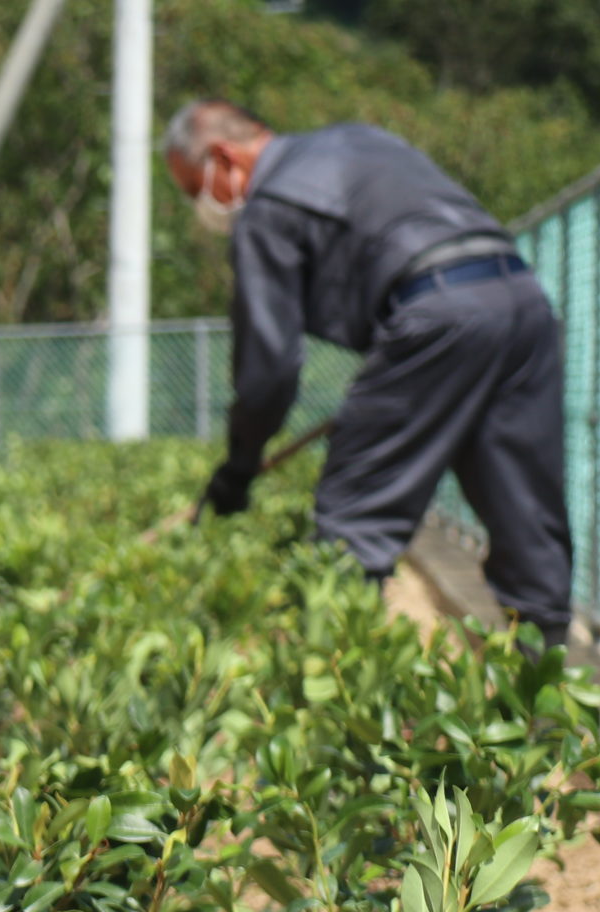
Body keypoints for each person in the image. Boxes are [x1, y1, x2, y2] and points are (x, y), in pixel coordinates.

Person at [164, 99, 572, 644]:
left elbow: (270, 369)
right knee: (527, 518)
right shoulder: (359, 140)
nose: (203, 205)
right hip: (521, 300)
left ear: (223, 158)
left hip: (436, 312)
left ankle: (340, 703)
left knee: (352, 521)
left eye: (196, 188)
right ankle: (546, 702)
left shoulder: (268, 203)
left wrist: (237, 471)